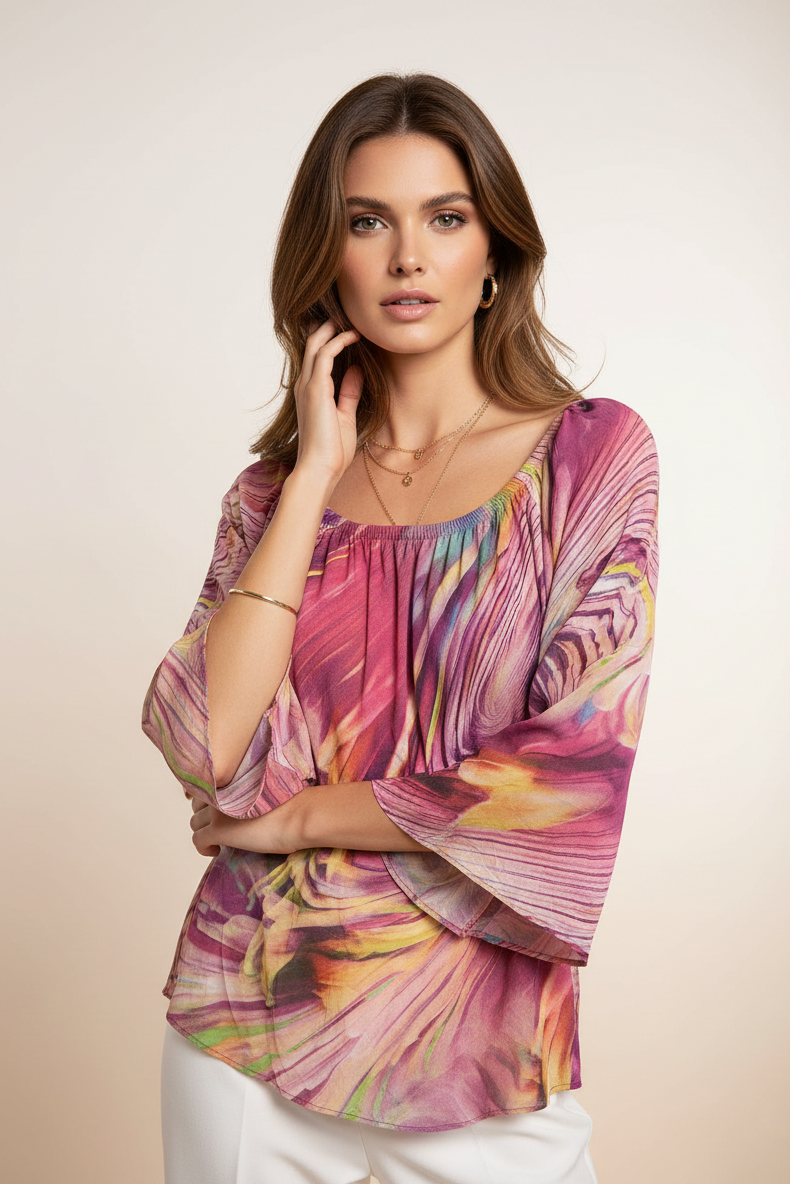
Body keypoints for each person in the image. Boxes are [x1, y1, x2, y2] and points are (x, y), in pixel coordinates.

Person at [142, 72, 659, 1184]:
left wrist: (293, 820)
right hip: (248, 1021)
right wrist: (312, 477)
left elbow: (566, 778)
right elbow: (207, 742)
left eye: (446, 217)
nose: (408, 257)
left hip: (483, 1049)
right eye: (369, 221)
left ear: (496, 253)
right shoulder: (268, 499)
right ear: (326, 257)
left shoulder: (589, 459)